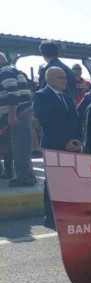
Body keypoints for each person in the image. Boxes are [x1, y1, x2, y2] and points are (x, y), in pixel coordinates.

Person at [34, 66, 83, 228]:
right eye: (60, 77)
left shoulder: (68, 97)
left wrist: (78, 140)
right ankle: (50, 218)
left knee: (69, 181)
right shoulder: (41, 96)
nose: (64, 80)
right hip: (53, 145)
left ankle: (67, 214)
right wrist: (64, 142)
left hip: (73, 146)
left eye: (64, 77)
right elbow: (47, 123)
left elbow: (76, 121)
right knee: (53, 182)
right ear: (49, 79)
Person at [0, 53, 36, 187]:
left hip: (19, 113)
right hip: (22, 111)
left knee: (20, 147)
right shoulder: (12, 70)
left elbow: (13, 92)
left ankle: (25, 178)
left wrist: (12, 114)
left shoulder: (5, 72)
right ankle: (27, 176)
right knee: (22, 146)